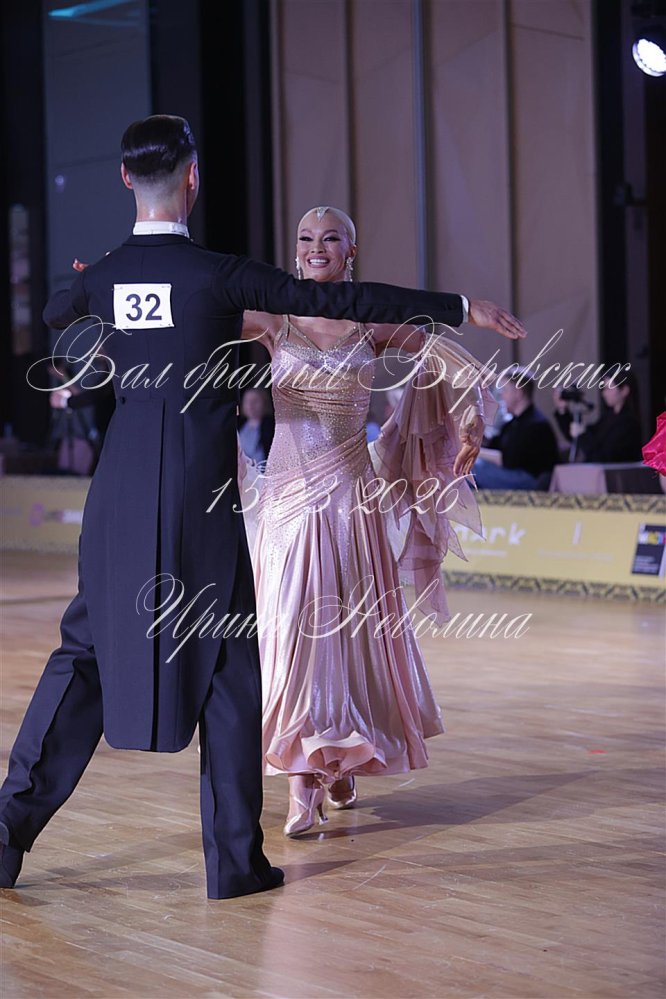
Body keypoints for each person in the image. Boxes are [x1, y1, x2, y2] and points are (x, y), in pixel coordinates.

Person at [0, 118, 526, 896]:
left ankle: (6, 834)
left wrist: (97, 283)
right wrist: (460, 304)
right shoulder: (223, 276)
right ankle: (234, 860)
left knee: (83, 655)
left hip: (117, 494)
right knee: (230, 668)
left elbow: (53, 311)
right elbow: (348, 299)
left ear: (124, 179)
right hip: (198, 498)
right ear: (193, 177)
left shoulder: (105, 276)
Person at [238, 206, 518, 836]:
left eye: (330, 237)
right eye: (305, 237)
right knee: (293, 630)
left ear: (351, 250)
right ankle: (305, 776)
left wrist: (469, 416)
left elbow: (442, 355)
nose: (315, 246)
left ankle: (338, 755)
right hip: (287, 502)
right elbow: (191, 314)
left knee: (345, 635)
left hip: (350, 499)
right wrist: (119, 288)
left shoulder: (370, 321)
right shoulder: (274, 319)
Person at [472, 367, 559, 489]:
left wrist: (473, 451)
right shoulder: (513, 423)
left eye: (505, 390)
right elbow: (494, 447)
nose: (501, 395)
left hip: (529, 479)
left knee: (471, 467)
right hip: (512, 474)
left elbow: (507, 460)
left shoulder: (536, 424)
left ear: (518, 393)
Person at [553, 370, 643, 463]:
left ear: (624, 390)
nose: (604, 394)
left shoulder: (629, 424)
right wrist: (562, 410)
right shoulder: (607, 419)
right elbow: (577, 436)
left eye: (608, 388)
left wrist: (582, 435)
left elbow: (604, 457)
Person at [237, 388, 274, 468]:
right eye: (247, 401)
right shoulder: (239, 425)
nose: (250, 406)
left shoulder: (271, 427)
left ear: (265, 403)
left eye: (255, 401)